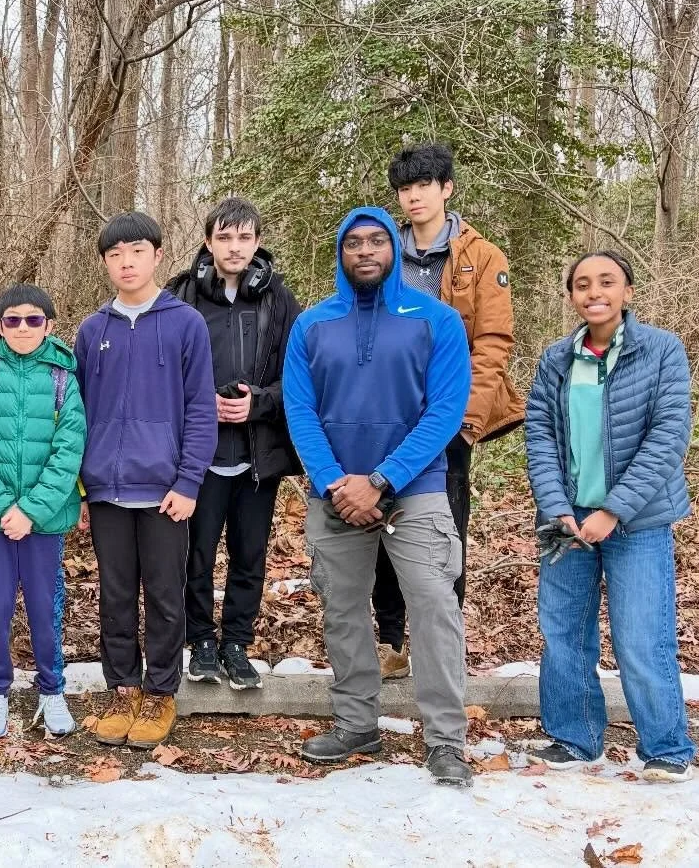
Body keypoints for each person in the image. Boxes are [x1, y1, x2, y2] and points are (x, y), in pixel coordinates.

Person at [283, 206, 474, 787]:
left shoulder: (435, 320)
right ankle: (356, 722)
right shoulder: (313, 325)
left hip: (415, 493)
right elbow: (300, 408)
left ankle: (445, 740)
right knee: (342, 612)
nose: (365, 251)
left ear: (393, 248)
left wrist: (383, 480)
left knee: (434, 611)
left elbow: (445, 411)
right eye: (353, 244)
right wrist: (337, 481)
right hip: (336, 494)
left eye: (376, 241)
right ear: (340, 254)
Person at [524, 251, 696, 781]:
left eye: (606, 281)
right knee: (564, 632)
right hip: (567, 520)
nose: (593, 291)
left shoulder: (662, 351)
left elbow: (668, 437)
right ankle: (576, 740)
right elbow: (540, 437)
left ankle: (666, 747)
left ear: (627, 291)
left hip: (637, 521)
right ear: (571, 295)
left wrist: (613, 511)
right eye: (581, 284)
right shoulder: (556, 359)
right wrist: (557, 507)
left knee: (642, 635)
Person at [373, 143, 524, 678]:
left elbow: (492, 344)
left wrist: (466, 422)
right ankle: (389, 639)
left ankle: (441, 648)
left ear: (446, 190)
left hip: (449, 417)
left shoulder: (481, 257)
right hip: (388, 413)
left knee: (443, 532)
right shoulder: (383, 249)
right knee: (380, 520)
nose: (413, 197)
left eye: (423, 186)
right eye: (405, 188)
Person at [76, 211, 216, 750]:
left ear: (158, 255)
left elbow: (201, 410)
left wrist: (188, 483)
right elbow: (80, 414)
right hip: (107, 488)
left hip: (164, 492)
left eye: (136, 251)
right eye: (115, 254)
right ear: (106, 264)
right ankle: (123, 690)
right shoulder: (93, 330)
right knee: (114, 595)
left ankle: (160, 692)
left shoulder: (185, 324)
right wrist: (81, 487)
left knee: (163, 594)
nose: (126, 262)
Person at [166, 197, 302, 690]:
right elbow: (163, 373)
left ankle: (236, 645)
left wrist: (259, 403)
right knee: (196, 555)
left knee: (249, 555)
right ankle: (200, 642)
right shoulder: (181, 296)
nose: (234, 247)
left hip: (256, 456)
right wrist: (203, 401)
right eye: (224, 237)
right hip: (198, 458)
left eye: (244, 237)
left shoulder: (280, 301)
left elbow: (302, 378)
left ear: (258, 243)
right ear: (208, 242)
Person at [0, 284, 86, 738]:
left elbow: (69, 449)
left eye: (33, 320)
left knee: (43, 604)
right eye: (12, 320)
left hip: (45, 520)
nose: (22, 328)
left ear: (49, 326)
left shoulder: (62, 378)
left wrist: (31, 510)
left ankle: (52, 688)